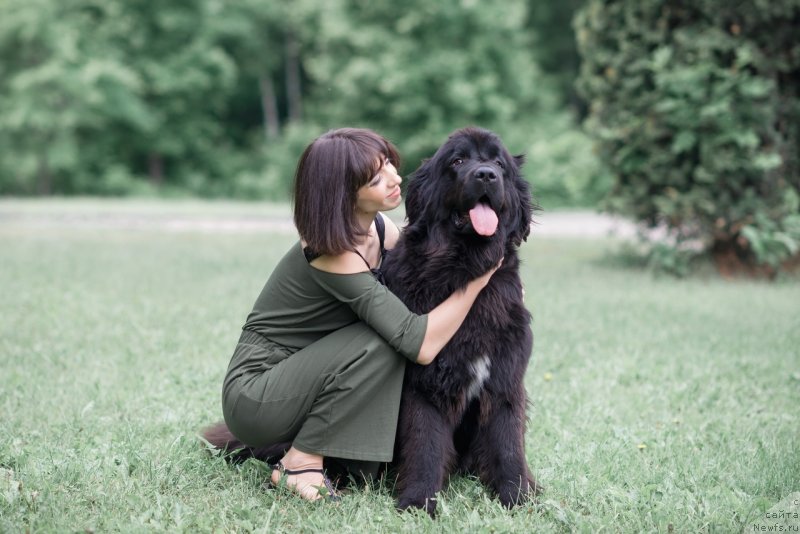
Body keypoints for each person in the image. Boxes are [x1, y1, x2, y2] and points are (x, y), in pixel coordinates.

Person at [221, 128, 501, 502]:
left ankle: (345, 455)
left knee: (389, 334)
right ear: (343, 195)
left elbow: (431, 274)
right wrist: (481, 279)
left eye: (388, 165)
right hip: (258, 392)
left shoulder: (380, 230)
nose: (395, 179)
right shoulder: (330, 252)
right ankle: (299, 463)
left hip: (311, 372)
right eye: (375, 179)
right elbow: (418, 343)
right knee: (389, 339)